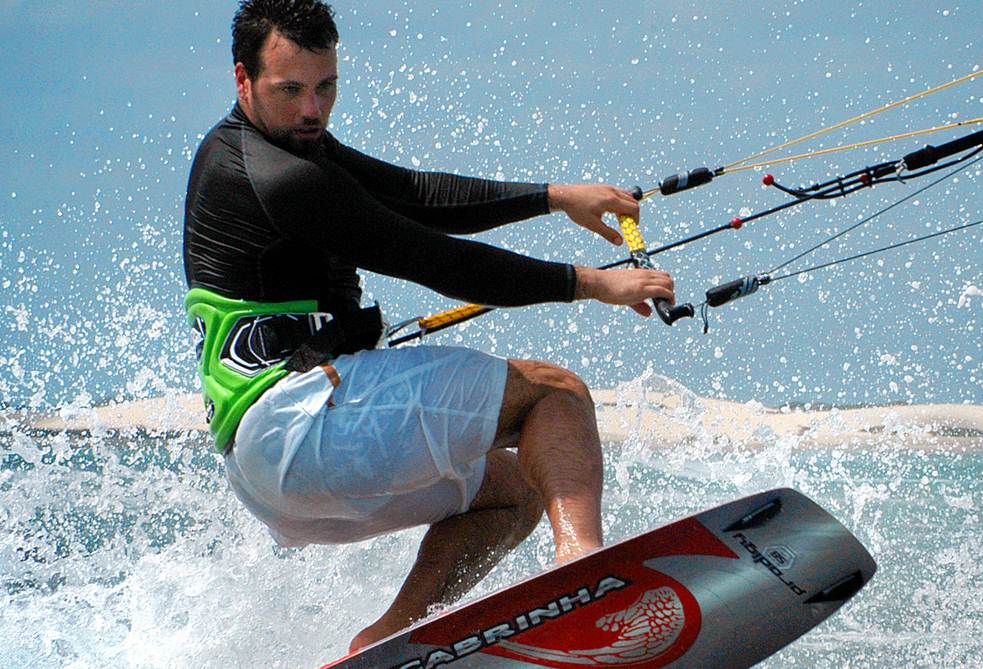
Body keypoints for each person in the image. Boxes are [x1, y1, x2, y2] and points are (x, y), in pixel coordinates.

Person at [181, 0, 674, 650]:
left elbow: (415, 194)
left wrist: (555, 196)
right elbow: (429, 254)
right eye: (290, 89)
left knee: (518, 491)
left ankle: (385, 646)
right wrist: (589, 283)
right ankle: (585, 581)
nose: (312, 108)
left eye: (325, 86)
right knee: (554, 394)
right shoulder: (280, 176)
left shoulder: (283, 147)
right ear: (242, 80)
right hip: (297, 422)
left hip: (265, 466)